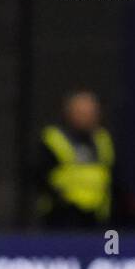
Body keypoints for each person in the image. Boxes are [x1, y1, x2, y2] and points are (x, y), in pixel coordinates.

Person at [36, 89, 116, 228]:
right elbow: (38, 175)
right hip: (62, 216)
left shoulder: (103, 139)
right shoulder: (54, 138)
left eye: (91, 112)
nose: (87, 117)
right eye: (81, 113)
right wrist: (60, 198)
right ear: (69, 113)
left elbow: (112, 175)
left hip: (97, 216)